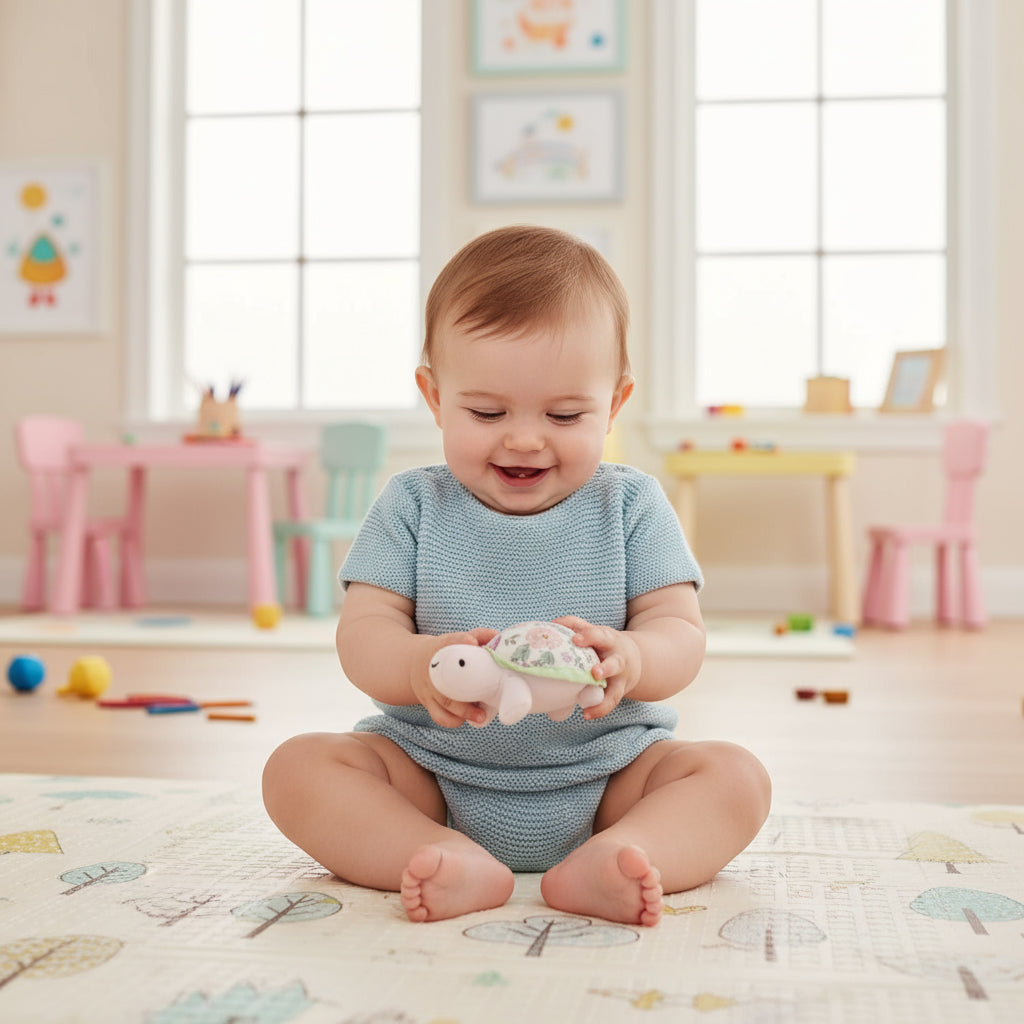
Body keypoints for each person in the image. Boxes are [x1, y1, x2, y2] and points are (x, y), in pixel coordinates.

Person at [263, 226, 771, 927]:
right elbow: (363, 633)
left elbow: (679, 630)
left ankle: (619, 855)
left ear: (614, 404)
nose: (525, 437)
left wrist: (634, 656)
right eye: (487, 412)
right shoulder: (411, 505)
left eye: (565, 414)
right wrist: (416, 664)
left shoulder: (631, 505)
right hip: (433, 774)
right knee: (298, 769)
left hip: (609, 774)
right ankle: (437, 854)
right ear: (434, 397)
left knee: (735, 778)